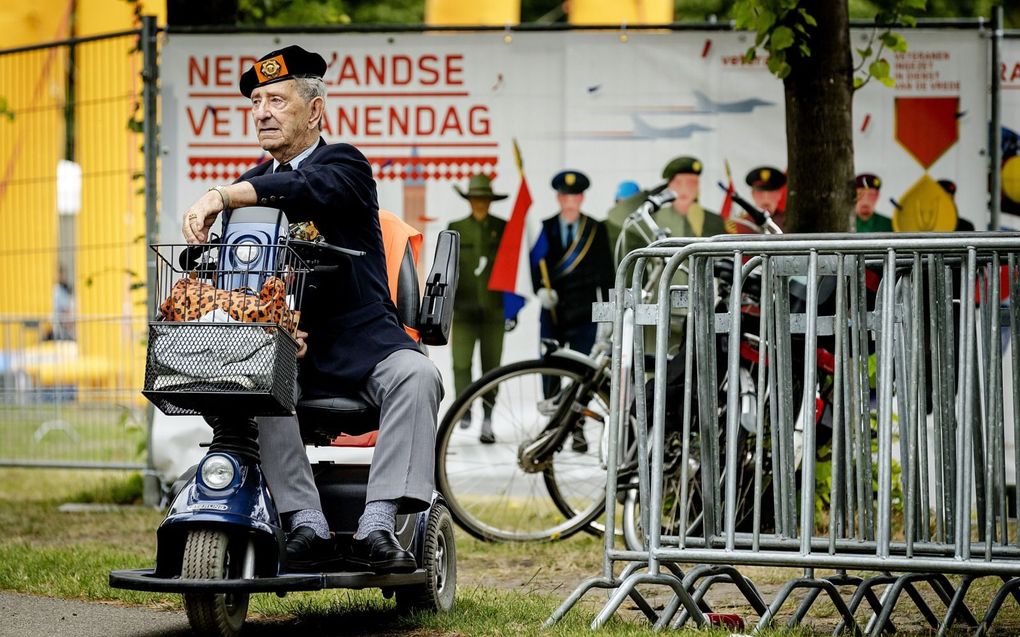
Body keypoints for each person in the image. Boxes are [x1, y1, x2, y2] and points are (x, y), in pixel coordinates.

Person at [180, 45, 443, 573]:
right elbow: (246, 280)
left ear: (315, 111)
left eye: (276, 99)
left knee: (417, 373)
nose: (262, 112)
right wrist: (265, 322)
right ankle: (305, 520)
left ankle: (379, 522)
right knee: (257, 375)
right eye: (256, 101)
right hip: (294, 354)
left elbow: (305, 188)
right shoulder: (252, 188)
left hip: (364, 345)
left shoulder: (343, 164)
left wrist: (223, 195)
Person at [447, 174, 509, 444]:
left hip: (494, 311)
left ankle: (488, 417)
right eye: (476, 199)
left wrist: (513, 308)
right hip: (463, 310)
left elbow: (512, 271)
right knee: (461, 364)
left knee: (492, 368)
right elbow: (448, 270)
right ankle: (464, 409)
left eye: (484, 199)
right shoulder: (456, 227)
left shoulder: (504, 228)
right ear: (470, 200)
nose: (480, 204)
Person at [744, 166, 787, 230]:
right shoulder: (742, 223)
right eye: (760, 193)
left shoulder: (789, 222)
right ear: (753, 194)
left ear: (779, 195)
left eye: (771, 193)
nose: (766, 198)